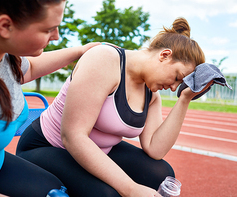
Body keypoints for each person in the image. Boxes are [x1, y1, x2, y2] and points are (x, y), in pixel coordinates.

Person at [16, 17, 211, 197]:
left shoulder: (151, 93)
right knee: (108, 194)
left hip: (99, 149)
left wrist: (184, 99)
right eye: (177, 77)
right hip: (48, 146)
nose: (174, 87)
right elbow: (73, 137)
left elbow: (155, 149)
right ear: (165, 55)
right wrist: (130, 188)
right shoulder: (105, 60)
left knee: (161, 173)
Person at [0, 0, 101, 196]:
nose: (56, 36)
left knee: (56, 191)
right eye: (49, 29)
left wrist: (81, 51)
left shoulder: (5, 57)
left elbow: (31, 67)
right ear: (5, 26)